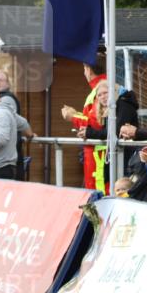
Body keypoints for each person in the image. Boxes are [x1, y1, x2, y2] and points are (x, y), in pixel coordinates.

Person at [78, 80, 139, 194]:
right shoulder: (112, 108)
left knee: (125, 190)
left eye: (105, 93)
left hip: (127, 157)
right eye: (99, 95)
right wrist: (87, 132)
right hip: (120, 155)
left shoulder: (123, 105)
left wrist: (89, 133)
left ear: (114, 91)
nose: (102, 97)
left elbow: (114, 132)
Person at [61, 49, 108, 189]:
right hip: (98, 153)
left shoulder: (99, 90)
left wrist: (72, 116)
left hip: (98, 155)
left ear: (87, 69)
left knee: (99, 197)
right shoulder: (103, 87)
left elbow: (96, 122)